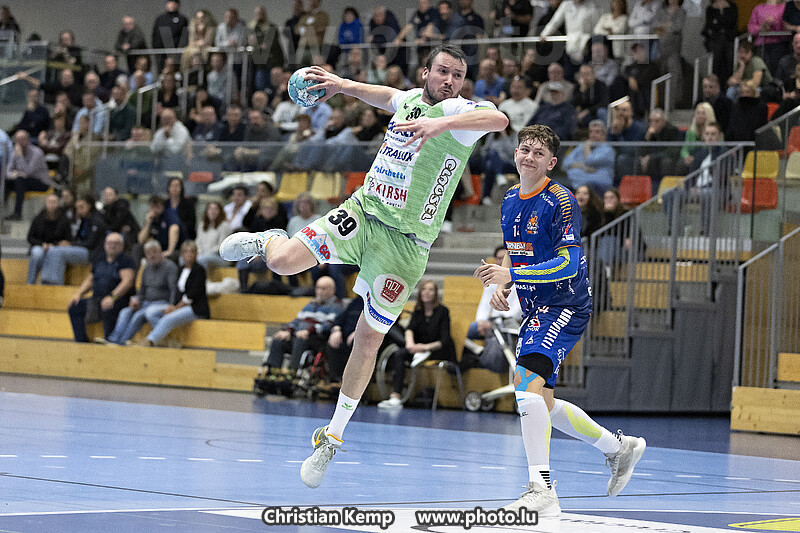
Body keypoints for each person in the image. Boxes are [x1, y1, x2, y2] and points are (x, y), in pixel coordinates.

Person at [219, 44, 508, 488]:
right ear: (426, 72)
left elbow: (499, 120)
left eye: (458, 74)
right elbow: (383, 94)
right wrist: (340, 85)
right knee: (282, 262)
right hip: (364, 212)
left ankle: (332, 437)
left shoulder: (458, 113)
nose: (450, 80)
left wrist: (441, 124)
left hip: (405, 246)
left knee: (369, 338)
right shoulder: (409, 100)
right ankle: (266, 238)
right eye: (443, 71)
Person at [473, 124, 645, 515]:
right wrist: (505, 283)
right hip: (537, 305)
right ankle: (619, 449)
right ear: (515, 154)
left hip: (566, 302)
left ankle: (542, 489)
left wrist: (512, 275)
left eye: (539, 153)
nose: (529, 157)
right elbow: (516, 249)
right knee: (542, 402)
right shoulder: (509, 198)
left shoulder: (561, 200)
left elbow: (567, 264)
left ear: (551, 162)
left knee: (525, 385)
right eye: (525, 149)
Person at [377, 279, 456, 409]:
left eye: (431, 290)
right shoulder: (418, 310)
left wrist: (424, 347)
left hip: (436, 350)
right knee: (399, 354)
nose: (427, 292)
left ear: (436, 293)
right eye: (424, 289)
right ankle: (396, 396)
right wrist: (410, 344)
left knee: (419, 352)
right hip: (418, 349)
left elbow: (444, 340)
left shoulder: (443, 311)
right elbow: (410, 329)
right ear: (420, 293)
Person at [461, 246, 521, 374]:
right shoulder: (493, 280)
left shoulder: (519, 279)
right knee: (463, 330)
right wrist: (481, 322)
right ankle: (477, 352)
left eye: (504, 258)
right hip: (491, 323)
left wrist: (492, 323)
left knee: (497, 342)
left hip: (510, 325)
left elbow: (515, 313)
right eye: (498, 258)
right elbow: (484, 305)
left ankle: (481, 355)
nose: (501, 261)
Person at [67, 232, 136, 343]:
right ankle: (81, 341)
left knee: (108, 306)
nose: (112, 246)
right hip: (97, 299)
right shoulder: (99, 259)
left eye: (116, 243)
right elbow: (90, 279)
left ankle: (109, 339)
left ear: (122, 246)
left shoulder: (126, 261)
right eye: (109, 243)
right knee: (75, 306)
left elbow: (127, 282)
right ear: (105, 245)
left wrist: (112, 297)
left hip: (119, 299)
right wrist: (79, 293)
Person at [264, 276, 342, 372]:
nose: (320, 291)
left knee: (300, 339)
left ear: (332, 290)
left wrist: (308, 331)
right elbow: (297, 320)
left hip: (315, 338)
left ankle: (292, 372)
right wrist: (288, 331)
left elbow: (329, 324)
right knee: (279, 338)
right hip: (298, 335)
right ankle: (272, 372)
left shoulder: (336, 305)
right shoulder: (310, 304)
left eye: (323, 288)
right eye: (318, 288)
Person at [107, 239, 178, 345]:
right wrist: (138, 303)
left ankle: (122, 342)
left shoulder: (170, 267)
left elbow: (174, 289)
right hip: (146, 302)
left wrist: (172, 305)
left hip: (162, 302)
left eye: (154, 252)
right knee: (125, 312)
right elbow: (142, 290)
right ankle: (113, 339)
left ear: (160, 251)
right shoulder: (147, 268)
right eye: (148, 253)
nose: (151, 255)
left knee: (138, 316)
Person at [141, 241, 209, 347]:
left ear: (196, 254)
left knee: (168, 318)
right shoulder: (181, 269)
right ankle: (167, 340)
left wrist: (176, 308)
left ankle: (150, 341)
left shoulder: (199, 270)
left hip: (194, 308)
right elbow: (177, 291)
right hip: (179, 305)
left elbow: (192, 295)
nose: (188, 254)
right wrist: (172, 306)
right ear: (182, 254)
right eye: (186, 252)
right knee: (151, 312)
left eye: (191, 252)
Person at [39, 193, 107, 285]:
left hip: (92, 252)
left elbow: (90, 243)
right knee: (52, 249)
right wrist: (63, 243)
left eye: (82, 207)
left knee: (57, 252)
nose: (79, 211)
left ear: (89, 205)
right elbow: (77, 238)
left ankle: (55, 283)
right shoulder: (84, 219)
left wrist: (71, 244)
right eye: (77, 208)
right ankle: (45, 281)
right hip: (81, 248)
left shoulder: (97, 219)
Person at [5, 130, 52, 220]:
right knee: (6, 182)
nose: (20, 142)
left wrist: (19, 156)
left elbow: (28, 172)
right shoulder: (14, 152)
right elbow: (7, 172)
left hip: (41, 182)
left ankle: (17, 214)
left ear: (28, 140)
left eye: (23, 139)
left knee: (20, 181)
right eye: (18, 140)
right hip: (24, 181)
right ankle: (3, 210)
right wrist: (15, 174)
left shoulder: (37, 153)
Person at [26, 193, 72, 284]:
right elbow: (30, 237)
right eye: (50, 202)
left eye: (54, 202)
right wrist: (42, 244)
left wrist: (55, 245)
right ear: (46, 203)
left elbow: (68, 239)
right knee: (36, 253)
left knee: (53, 253)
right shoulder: (38, 218)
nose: (52, 205)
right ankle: (30, 282)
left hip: (57, 247)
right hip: (40, 246)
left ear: (58, 204)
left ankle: (50, 283)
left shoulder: (64, 219)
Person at [563, 119, 615, 193]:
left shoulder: (608, 150)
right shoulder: (581, 146)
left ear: (604, 135)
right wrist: (583, 167)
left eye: (597, 132)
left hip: (599, 187)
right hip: (580, 185)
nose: (593, 135)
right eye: (591, 132)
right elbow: (566, 163)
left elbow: (589, 161)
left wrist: (587, 149)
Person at [702, 0, 737, 85]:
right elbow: (710, 24)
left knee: (730, 64)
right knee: (716, 64)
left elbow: (732, 21)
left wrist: (718, 21)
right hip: (715, 40)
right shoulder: (710, 8)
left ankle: (729, 86)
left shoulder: (732, 6)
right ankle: (715, 86)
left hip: (729, 39)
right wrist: (723, 21)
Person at [196, 201, 232, 269]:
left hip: (219, 257)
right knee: (184, 259)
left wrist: (206, 253)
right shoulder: (202, 225)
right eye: (210, 209)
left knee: (201, 259)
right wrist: (199, 252)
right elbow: (198, 242)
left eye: (215, 209)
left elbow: (221, 246)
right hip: (203, 255)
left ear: (220, 212)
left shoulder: (225, 226)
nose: (212, 211)